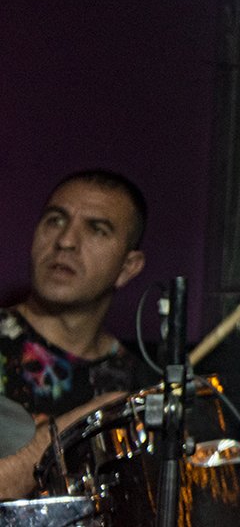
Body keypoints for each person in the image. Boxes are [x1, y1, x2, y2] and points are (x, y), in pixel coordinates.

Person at [0, 169, 151, 498]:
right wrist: (81, 425)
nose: (65, 241)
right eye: (55, 220)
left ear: (128, 267)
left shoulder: (139, 385)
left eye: (97, 229)